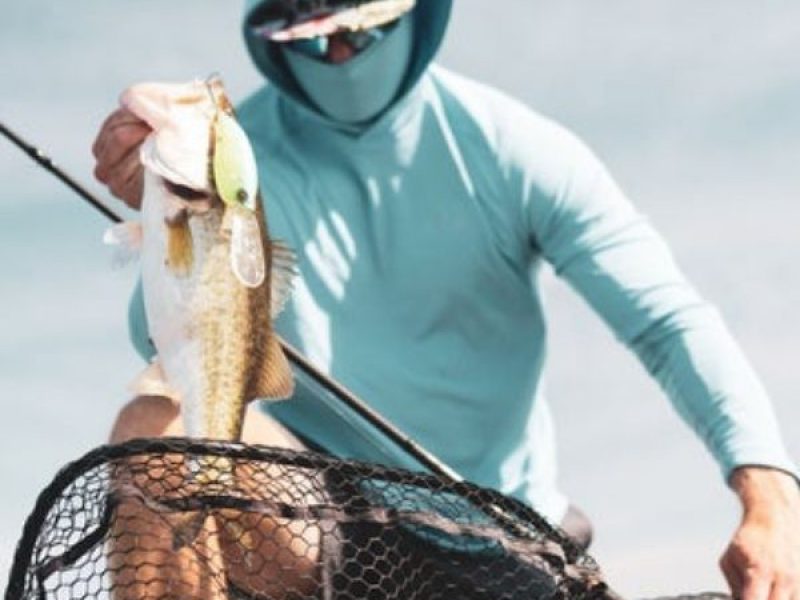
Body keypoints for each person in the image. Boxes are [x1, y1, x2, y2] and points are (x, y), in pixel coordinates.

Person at [92, 1, 800, 597]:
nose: (338, 54)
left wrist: (771, 497)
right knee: (156, 424)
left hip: (502, 537)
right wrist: (162, 216)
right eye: (307, 29)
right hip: (319, 524)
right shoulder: (234, 155)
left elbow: (666, 322)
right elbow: (167, 340)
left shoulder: (514, 147)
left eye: (359, 25)